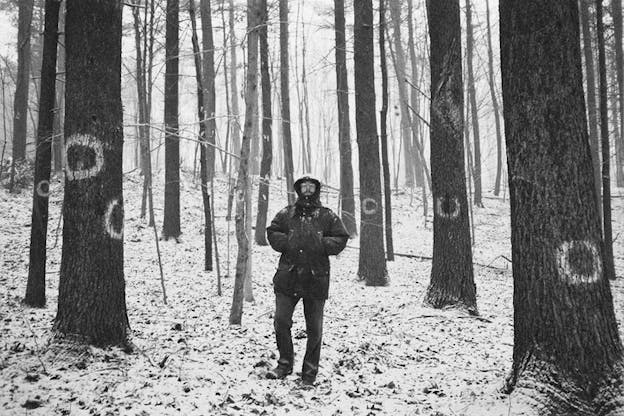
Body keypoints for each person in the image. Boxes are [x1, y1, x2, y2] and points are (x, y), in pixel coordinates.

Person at [265, 175, 349, 385]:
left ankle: (309, 373)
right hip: (288, 277)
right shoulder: (287, 213)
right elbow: (272, 231)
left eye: (312, 186)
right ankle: (284, 364)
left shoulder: (327, 215)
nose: (308, 189)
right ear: (298, 189)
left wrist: (321, 244)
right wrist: (288, 242)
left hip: (315, 278)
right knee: (281, 322)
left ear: (317, 189)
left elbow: (341, 237)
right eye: (304, 185)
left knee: (314, 329)